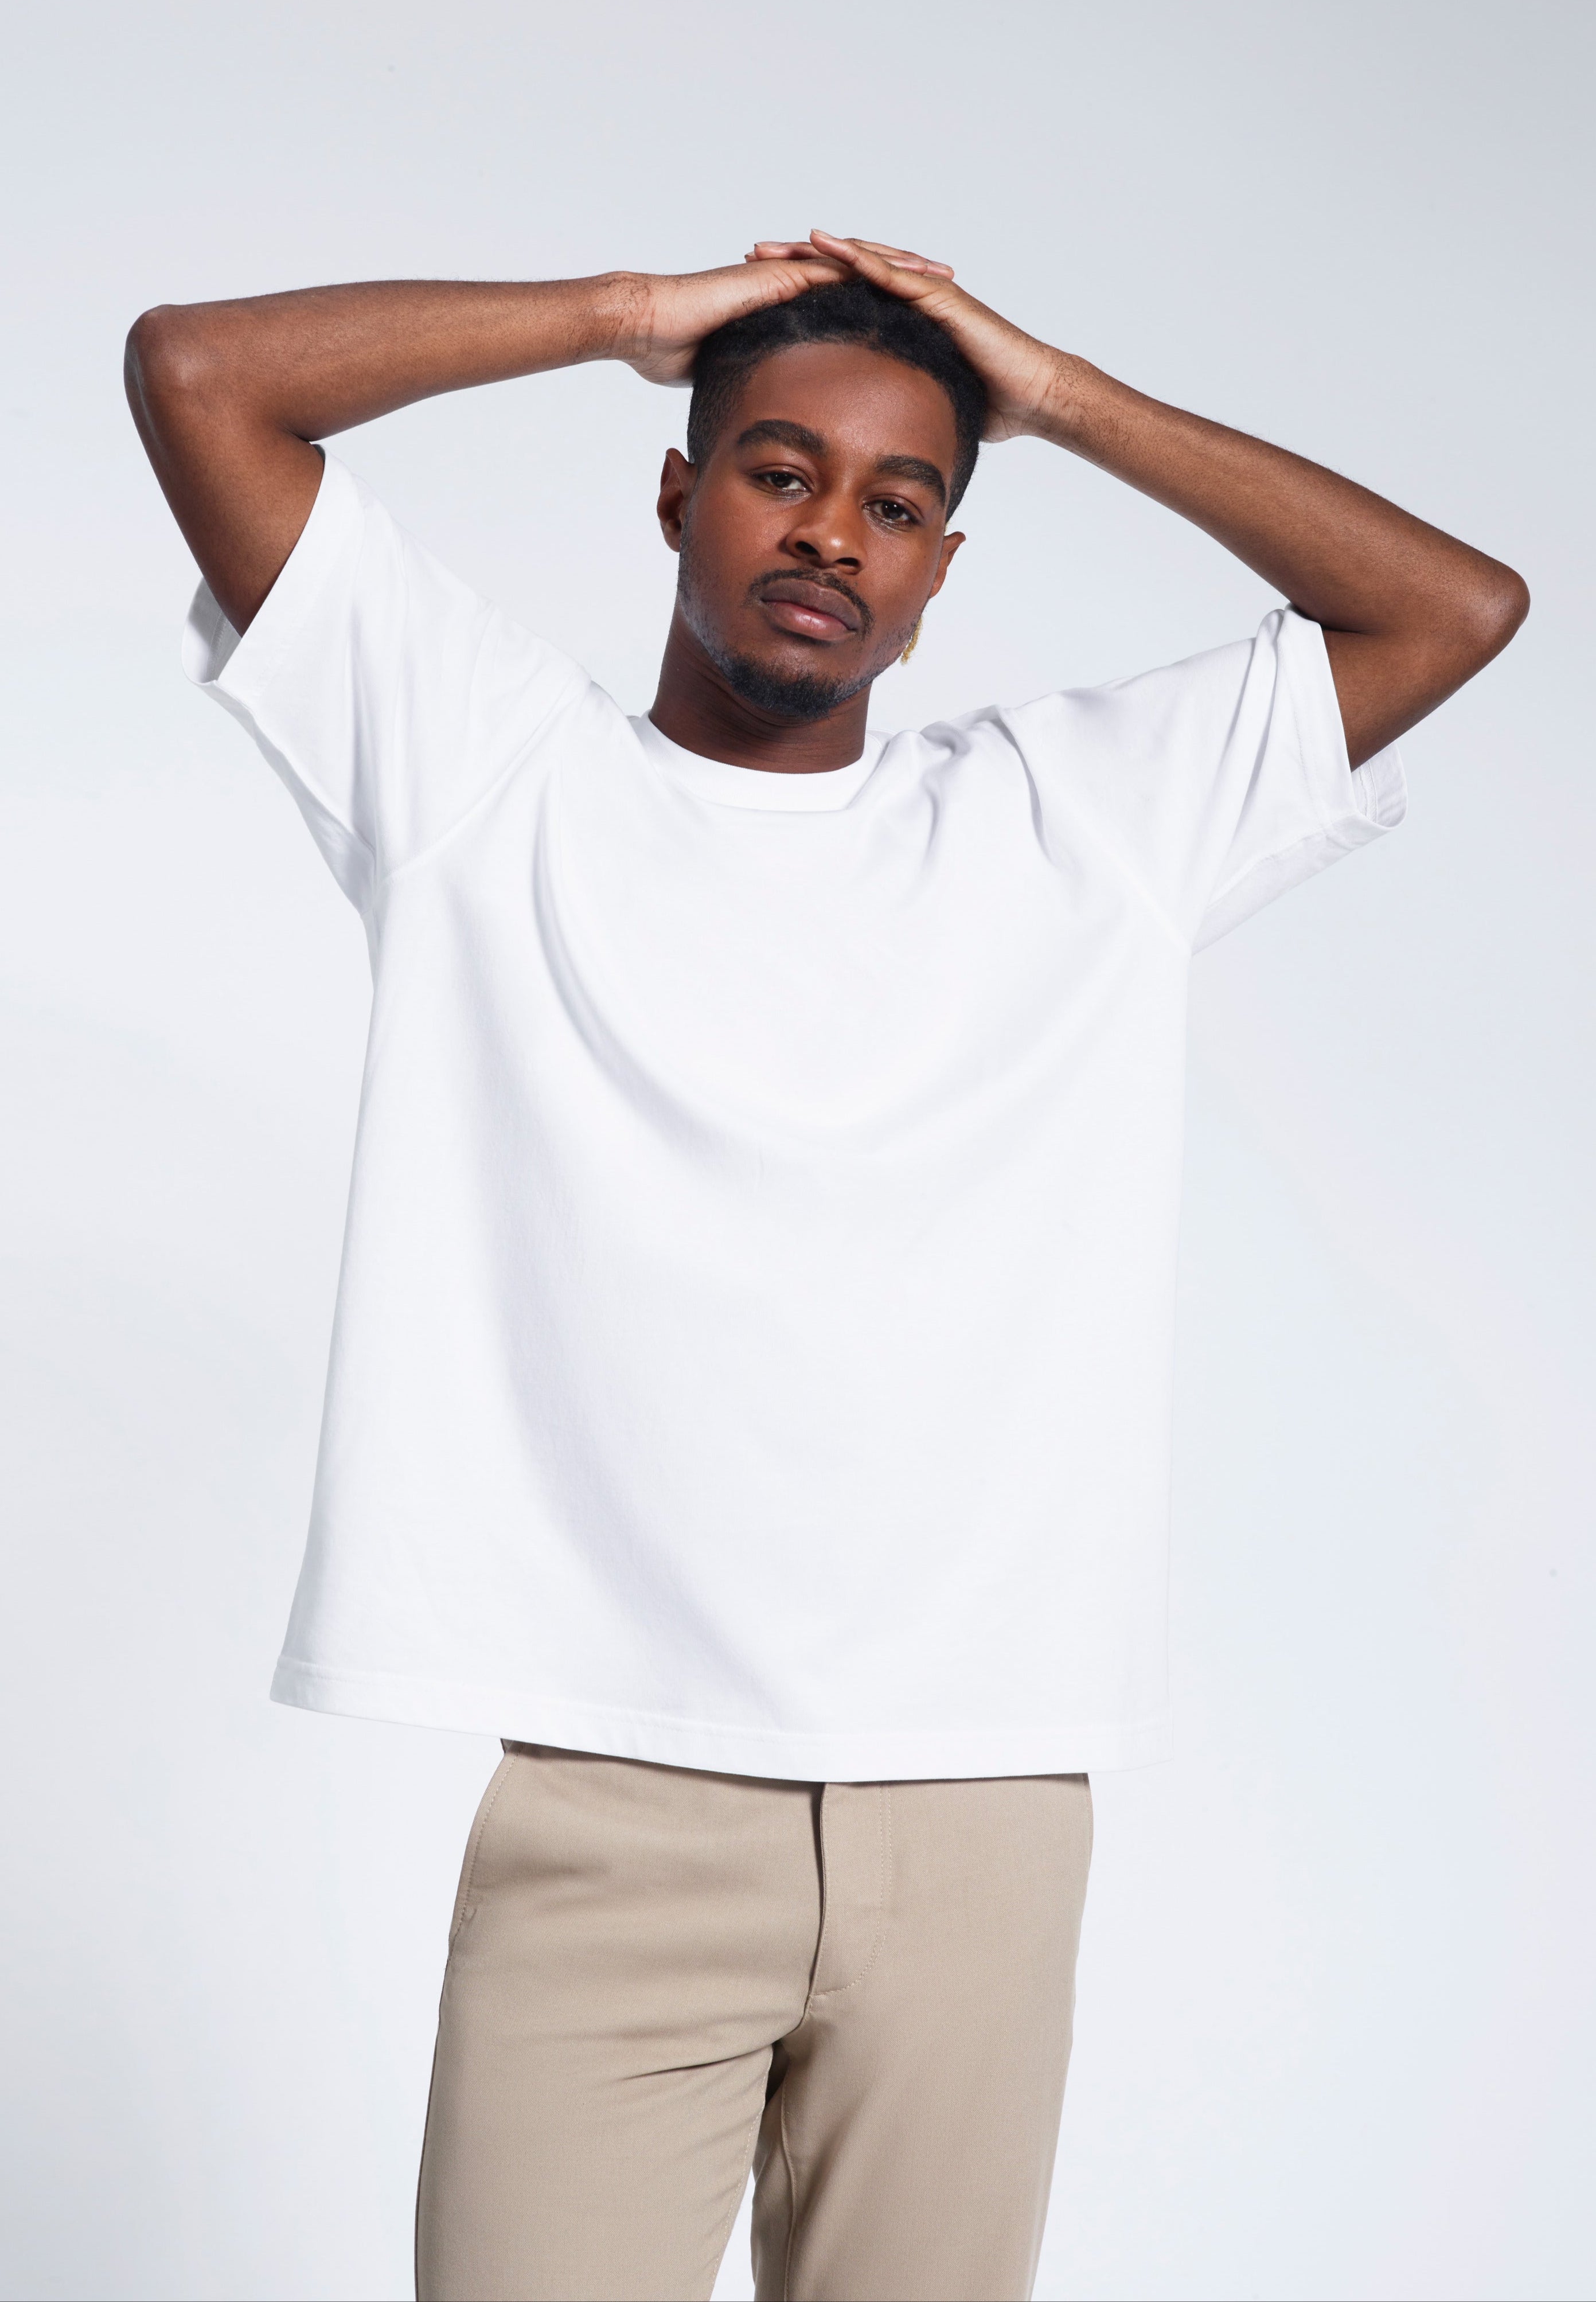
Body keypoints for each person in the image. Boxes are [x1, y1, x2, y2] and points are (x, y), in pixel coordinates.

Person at [124, 232, 1526, 2302]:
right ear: (678, 493)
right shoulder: (487, 777)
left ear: (946, 567)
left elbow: (1455, 605)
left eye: (900, 504)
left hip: (977, 1810)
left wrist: (1055, 395)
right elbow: (197, 376)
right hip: (612, 1802)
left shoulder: (1077, 823)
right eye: (780, 471)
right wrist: (616, 322)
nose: (835, 535)